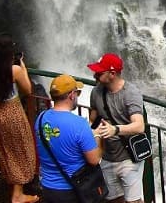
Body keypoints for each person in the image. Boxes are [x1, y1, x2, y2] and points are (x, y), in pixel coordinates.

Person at [0, 35, 39, 203]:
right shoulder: (13, 70)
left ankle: (11, 180)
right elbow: (28, 90)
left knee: (4, 148)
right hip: (10, 112)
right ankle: (17, 194)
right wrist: (22, 66)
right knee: (20, 149)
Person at [86, 53, 145, 203]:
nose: (96, 74)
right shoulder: (96, 92)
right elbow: (93, 119)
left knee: (133, 201)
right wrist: (93, 136)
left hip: (128, 158)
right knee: (113, 199)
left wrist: (115, 130)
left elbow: (139, 126)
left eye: (100, 71)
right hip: (107, 157)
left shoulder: (130, 93)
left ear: (112, 74)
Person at [35, 75, 100, 203]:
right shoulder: (79, 124)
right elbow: (94, 160)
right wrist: (97, 136)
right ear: (72, 95)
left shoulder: (41, 118)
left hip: (47, 188)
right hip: (72, 189)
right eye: (78, 92)